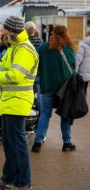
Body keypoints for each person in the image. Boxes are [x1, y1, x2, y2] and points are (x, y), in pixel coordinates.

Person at [0, 15, 38, 190]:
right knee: (10, 142)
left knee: (17, 143)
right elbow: (4, 66)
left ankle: (23, 181)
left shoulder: (23, 49)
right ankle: (9, 176)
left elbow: (15, 75)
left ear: (13, 31)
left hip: (18, 101)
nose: (2, 32)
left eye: (5, 29)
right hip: (11, 101)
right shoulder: (15, 47)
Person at [32, 25, 77, 153]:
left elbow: (36, 63)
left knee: (45, 114)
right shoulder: (68, 50)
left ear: (52, 34)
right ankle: (67, 143)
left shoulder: (43, 48)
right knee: (65, 115)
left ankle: (38, 142)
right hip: (64, 90)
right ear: (66, 34)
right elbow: (74, 68)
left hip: (46, 87)